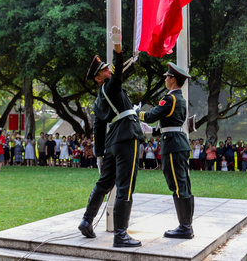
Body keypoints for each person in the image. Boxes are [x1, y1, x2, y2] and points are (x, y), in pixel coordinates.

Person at [78, 27, 143, 248]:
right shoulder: (111, 86)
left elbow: (98, 127)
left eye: (107, 68)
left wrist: (99, 154)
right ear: (99, 77)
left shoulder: (98, 101)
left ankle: (87, 220)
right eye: (104, 70)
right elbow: (117, 72)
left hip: (112, 143)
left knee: (104, 182)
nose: (108, 71)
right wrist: (117, 46)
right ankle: (121, 234)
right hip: (126, 138)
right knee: (126, 185)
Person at [138, 62, 194, 239]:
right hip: (177, 142)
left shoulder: (170, 98)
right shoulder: (180, 98)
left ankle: (185, 227)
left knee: (178, 185)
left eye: (167, 76)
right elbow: (169, 123)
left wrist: (137, 113)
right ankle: (186, 225)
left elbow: (151, 115)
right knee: (183, 184)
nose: (165, 79)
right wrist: (151, 130)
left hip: (173, 145)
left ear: (172, 79)